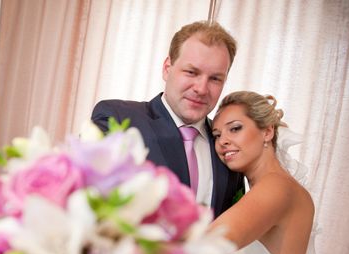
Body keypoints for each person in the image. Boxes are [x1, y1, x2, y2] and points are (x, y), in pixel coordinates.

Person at [201, 91, 319, 254]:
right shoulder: (273, 191)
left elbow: (209, 246)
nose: (223, 142)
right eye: (217, 135)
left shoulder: (278, 188)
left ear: (267, 132)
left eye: (235, 129)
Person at [91, 21, 244, 217]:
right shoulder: (117, 118)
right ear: (167, 68)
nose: (201, 89)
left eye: (215, 79)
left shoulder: (229, 146)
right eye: (191, 72)